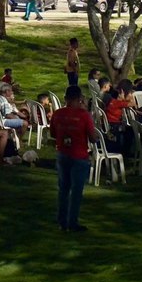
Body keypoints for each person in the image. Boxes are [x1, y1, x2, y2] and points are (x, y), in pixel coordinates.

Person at [50, 85, 97, 232]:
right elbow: (93, 138)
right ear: (80, 99)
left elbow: (52, 133)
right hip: (79, 156)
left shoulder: (57, 114)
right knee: (76, 191)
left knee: (63, 189)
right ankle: (73, 221)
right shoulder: (84, 115)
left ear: (65, 99)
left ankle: (61, 221)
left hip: (63, 153)